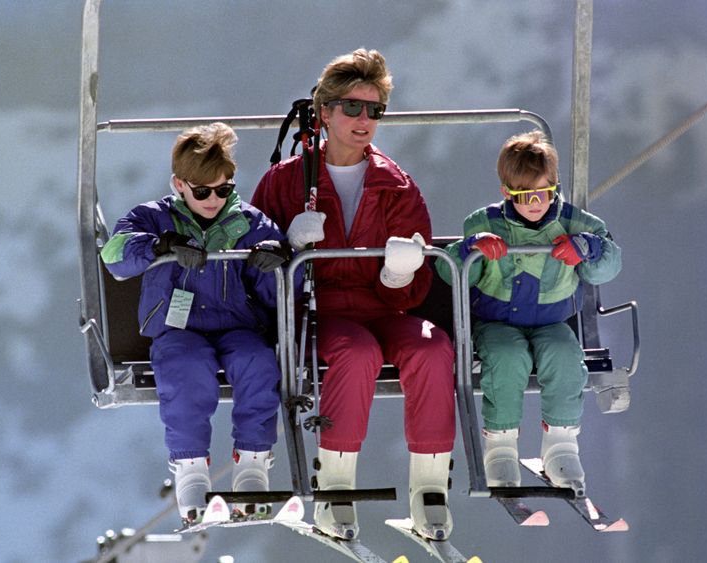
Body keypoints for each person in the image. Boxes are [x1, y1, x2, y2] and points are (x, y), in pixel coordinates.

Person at [252, 48, 456, 541]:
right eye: (352, 107)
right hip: (316, 314)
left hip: (383, 307)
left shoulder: (396, 186)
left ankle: (429, 491)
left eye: (375, 110)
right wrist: (287, 248)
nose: (364, 120)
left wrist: (397, 275)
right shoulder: (286, 182)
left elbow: (420, 282)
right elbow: (251, 266)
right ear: (324, 112)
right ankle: (336, 487)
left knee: (433, 347)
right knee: (357, 352)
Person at [101, 123, 296, 526]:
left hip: (236, 324)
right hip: (179, 328)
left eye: (223, 190)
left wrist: (276, 262)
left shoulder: (250, 224)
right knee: (186, 371)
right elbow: (114, 254)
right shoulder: (154, 218)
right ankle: (190, 468)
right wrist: (159, 246)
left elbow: (282, 293)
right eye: (202, 191)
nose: (213, 200)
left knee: (259, 365)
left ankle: (253, 464)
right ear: (180, 184)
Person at [436, 130, 621, 493]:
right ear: (507, 193)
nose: (536, 203)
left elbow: (610, 264)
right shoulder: (485, 224)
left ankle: (561, 445)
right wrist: (473, 250)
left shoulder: (575, 224)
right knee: (507, 358)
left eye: (544, 193)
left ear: (555, 186)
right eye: (525, 196)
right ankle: (501, 446)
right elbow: (449, 269)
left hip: (553, 321)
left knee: (566, 358)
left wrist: (588, 249)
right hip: (497, 321)